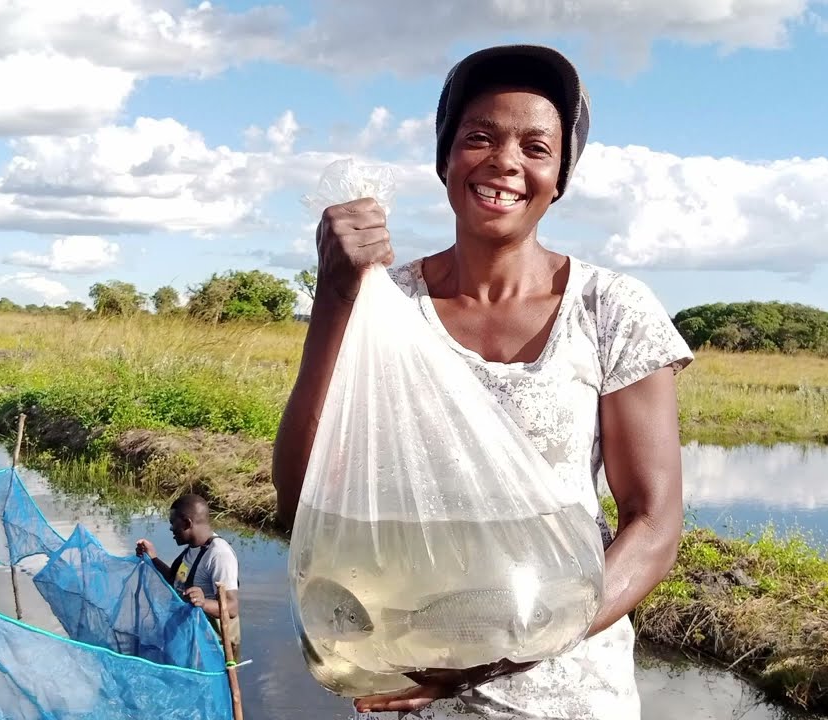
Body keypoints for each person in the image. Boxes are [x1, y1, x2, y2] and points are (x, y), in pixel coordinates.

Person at [271, 43, 693, 719]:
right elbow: (301, 502)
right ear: (445, 161)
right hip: (407, 686)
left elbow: (653, 525)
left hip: (572, 697)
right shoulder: (386, 307)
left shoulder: (611, 310)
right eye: (479, 137)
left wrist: (495, 654)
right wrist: (337, 296)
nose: (505, 162)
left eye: (536, 147)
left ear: (559, 178)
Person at [136, 493, 242, 660]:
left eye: (173, 523)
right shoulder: (193, 548)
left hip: (213, 650)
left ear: (187, 523)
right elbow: (175, 581)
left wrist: (203, 602)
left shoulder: (219, 555)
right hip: (192, 640)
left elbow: (232, 607)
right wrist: (153, 558)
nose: (171, 529)